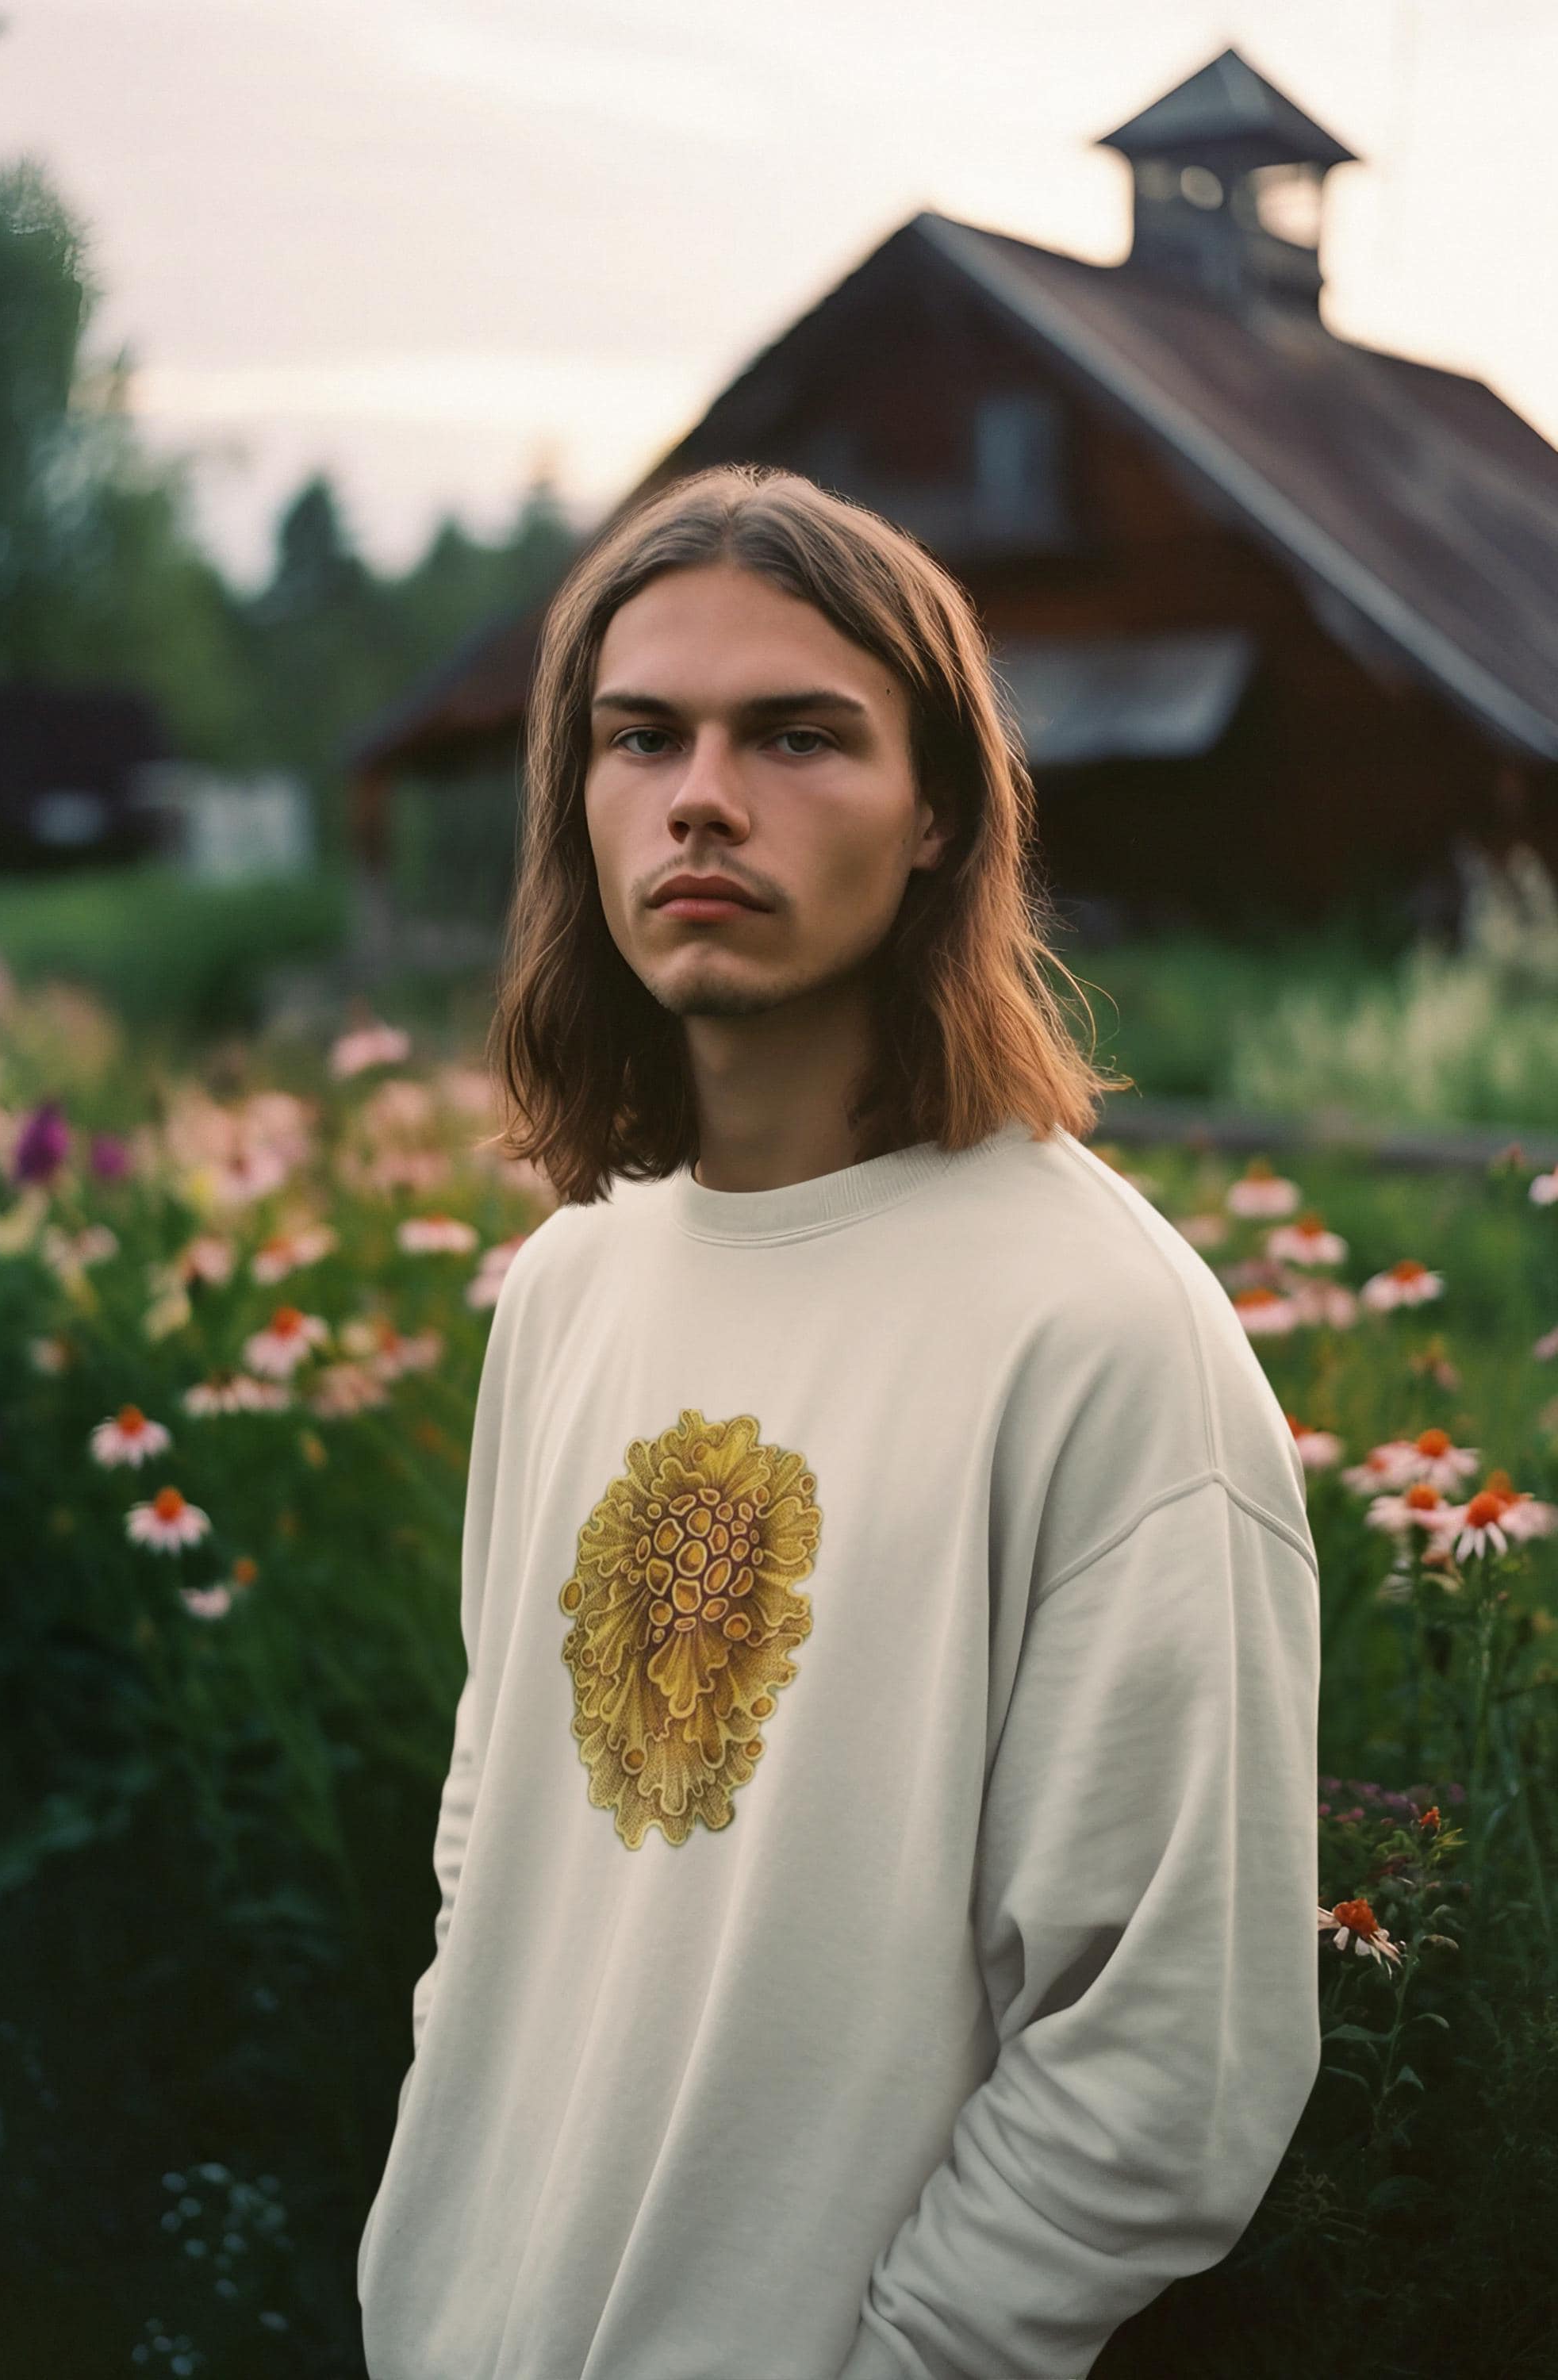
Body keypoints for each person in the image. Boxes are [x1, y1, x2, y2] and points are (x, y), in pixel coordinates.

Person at [355, 463, 1322, 2380]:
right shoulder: (573, 1282)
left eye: (798, 734)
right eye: (643, 738)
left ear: (940, 810)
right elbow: (498, 1837)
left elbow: (1166, 2054)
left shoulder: (1099, 1335)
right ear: (580, 802)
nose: (702, 793)